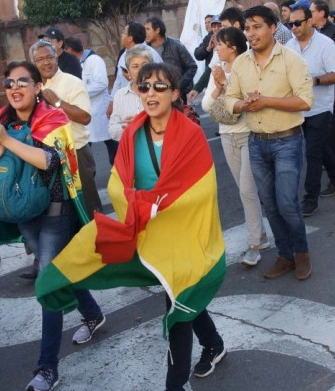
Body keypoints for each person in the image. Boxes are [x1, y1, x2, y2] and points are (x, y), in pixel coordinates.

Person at [36, 63, 227, 391]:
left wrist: (160, 204)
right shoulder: (133, 134)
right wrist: (139, 206)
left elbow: (203, 188)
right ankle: (213, 343)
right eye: (145, 87)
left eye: (159, 87)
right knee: (178, 291)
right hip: (148, 230)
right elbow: (116, 183)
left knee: (177, 296)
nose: (151, 93)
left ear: (175, 93)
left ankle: (174, 384)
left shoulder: (192, 135)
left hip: (185, 233)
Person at [0, 61, 105, 391]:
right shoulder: (1, 120)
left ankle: (47, 368)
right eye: (9, 82)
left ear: (38, 87)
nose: (15, 88)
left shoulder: (52, 117)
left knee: (47, 283)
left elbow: (49, 160)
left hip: (56, 210)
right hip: (22, 213)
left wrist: (6, 143)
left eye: (22, 82)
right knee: (59, 271)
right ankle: (93, 313)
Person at [224, 5, 314, 281]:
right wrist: (242, 104)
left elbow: (305, 101)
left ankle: (301, 255)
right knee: (270, 204)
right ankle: (284, 255)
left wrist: (266, 101)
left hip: (287, 141)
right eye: (247, 28)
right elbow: (229, 100)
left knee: (287, 202)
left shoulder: (291, 59)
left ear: (273, 28)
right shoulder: (241, 63)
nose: (251, 33)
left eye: (257, 27)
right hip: (256, 142)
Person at [201, 27, 269, 265]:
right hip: (227, 135)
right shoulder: (217, 70)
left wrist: (225, 86)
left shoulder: (247, 66)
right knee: (244, 189)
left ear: (232, 47)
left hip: (249, 134)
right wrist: (219, 85)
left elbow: (247, 102)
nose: (215, 48)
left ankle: (254, 245)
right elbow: (207, 105)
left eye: (219, 44)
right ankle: (260, 233)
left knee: (247, 191)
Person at [287, 4, 335, 217]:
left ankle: (310, 199)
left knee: (311, 152)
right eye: (290, 24)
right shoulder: (289, 47)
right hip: (297, 107)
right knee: (319, 147)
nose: (293, 27)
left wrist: (315, 80)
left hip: (320, 107)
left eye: (297, 23)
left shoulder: (325, 44)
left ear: (310, 20)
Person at [31, 40, 103, 218]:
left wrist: (57, 102)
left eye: (50, 57)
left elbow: (85, 117)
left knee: (88, 208)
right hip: (48, 157)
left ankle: (101, 243)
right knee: (62, 212)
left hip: (76, 153)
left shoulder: (72, 82)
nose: (46, 63)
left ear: (57, 58)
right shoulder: (33, 87)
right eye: (40, 59)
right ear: (34, 63)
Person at [310, 0, 335, 156]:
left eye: (312, 11)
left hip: (332, 82)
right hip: (315, 85)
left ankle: (332, 156)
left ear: (321, 13)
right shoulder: (311, 31)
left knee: (330, 121)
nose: (310, 14)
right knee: (321, 121)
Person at [63, 37, 114, 152]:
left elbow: (102, 83)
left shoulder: (94, 60)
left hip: (100, 111)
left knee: (111, 145)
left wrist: (81, 93)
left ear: (70, 50)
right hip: (87, 112)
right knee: (85, 147)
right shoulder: (76, 64)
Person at [145, 17, 197, 102]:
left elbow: (192, 66)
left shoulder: (176, 45)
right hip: (154, 95)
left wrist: (179, 86)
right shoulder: (145, 50)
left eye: (148, 29)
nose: (145, 33)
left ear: (157, 30)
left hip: (176, 95)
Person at [108, 46, 153, 142]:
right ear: (128, 72)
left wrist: (140, 123)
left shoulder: (160, 92)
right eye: (135, 66)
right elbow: (112, 129)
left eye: (144, 65)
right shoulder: (120, 95)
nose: (141, 70)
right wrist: (129, 128)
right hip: (130, 150)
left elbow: (167, 123)